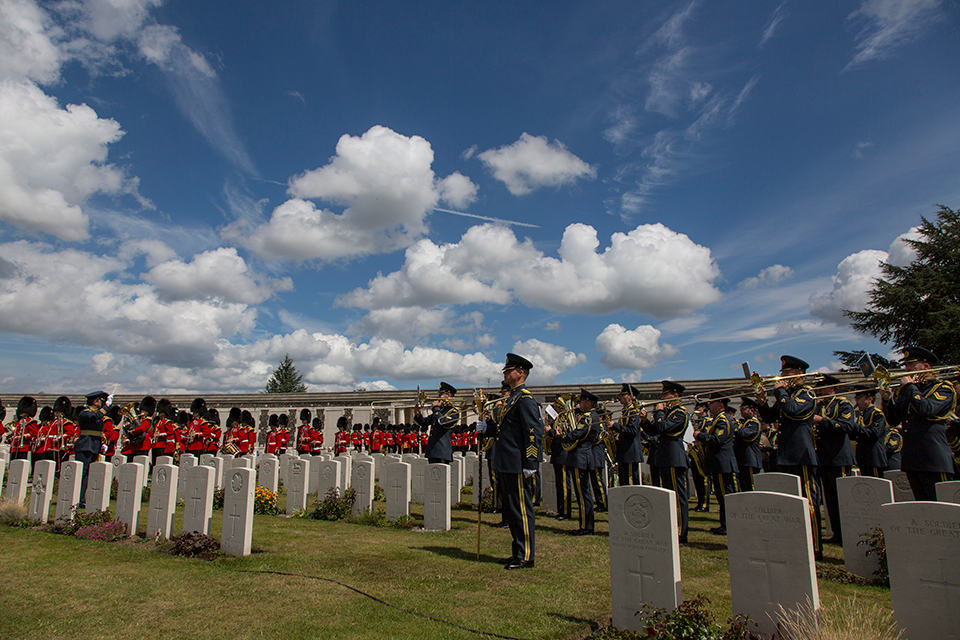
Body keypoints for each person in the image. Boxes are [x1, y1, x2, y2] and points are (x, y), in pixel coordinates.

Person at [755, 355, 823, 559]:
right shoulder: (787, 395)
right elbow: (769, 417)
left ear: (799, 374)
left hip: (801, 455)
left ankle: (816, 547)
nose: (781, 376)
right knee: (791, 502)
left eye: (786, 372)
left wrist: (780, 391)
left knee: (809, 502)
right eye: (782, 372)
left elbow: (792, 410)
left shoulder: (806, 393)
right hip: (786, 455)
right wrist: (761, 402)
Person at [881, 346, 956, 501]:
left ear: (926, 367)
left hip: (934, 460)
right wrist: (887, 400)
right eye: (906, 365)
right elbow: (894, 420)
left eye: (911, 366)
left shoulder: (943, 388)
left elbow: (927, 409)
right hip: (912, 460)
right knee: (922, 509)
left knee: (941, 508)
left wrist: (909, 387)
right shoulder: (910, 391)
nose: (906, 369)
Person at [492, 353, 543, 569]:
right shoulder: (512, 398)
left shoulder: (525, 400)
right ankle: (517, 552)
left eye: (508, 370)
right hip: (506, 462)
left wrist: (531, 463)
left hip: (518, 463)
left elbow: (533, 432)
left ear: (520, 373)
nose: (504, 373)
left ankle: (526, 555)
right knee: (513, 512)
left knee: (521, 510)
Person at [640, 381, 690, 544]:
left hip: (674, 457)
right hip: (665, 457)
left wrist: (660, 412)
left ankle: (681, 531)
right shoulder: (668, 413)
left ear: (675, 395)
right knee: (667, 495)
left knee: (677, 496)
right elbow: (653, 430)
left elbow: (663, 428)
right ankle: (669, 527)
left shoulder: (680, 413)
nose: (662, 398)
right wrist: (645, 421)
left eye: (665, 395)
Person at [813, 374, 857, 545]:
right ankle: (837, 533)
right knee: (830, 500)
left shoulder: (843, 404)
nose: (818, 390)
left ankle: (848, 534)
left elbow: (847, 426)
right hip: (824, 457)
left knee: (842, 499)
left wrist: (822, 420)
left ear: (831, 388)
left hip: (839, 457)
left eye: (821, 387)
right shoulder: (819, 406)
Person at [551, 389, 601, 536]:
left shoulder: (589, 417)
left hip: (581, 457)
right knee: (583, 494)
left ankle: (586, 526)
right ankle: (586, 525)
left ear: (588, 403)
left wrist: (554, 435)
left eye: (581, 401)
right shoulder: (591, 416)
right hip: (582, 457)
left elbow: (576, 435)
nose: (579, 404)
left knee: (583, 494)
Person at [695, 392, 738, 535]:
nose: (709, 405)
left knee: (725, 495)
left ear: (720, 405)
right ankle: (724, 524)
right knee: (721, 495)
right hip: (718, 463)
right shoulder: (717, 419)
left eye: (711, 403)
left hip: (722, 463)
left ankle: (728, 525)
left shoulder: (722, 420)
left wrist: (699, 436)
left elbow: (717, 440)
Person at [75, 391, 108, 508]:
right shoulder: (85, 413)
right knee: (82, 474)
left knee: (87, 475)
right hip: (85, 446)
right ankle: (78, 498)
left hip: (93, 446)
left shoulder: (95, 414)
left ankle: (82, 499)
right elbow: (95, 416)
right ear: (95, 402)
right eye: (100, 401)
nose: (101, 403)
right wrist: (106, 407)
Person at [415, 382, 459, 464]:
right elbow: (425, 422)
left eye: (441, 394)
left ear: (448, 395)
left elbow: (442, 422)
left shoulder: (453, 411)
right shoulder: (440, 410)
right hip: (432, 451)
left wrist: (436, 408)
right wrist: (418, 414)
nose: (439, 396)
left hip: (442, 451)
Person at [608, 384, 643, 486]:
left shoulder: (633, 412)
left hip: (630, 453)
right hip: (625, 453)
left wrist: (615, 425)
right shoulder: (625, 411)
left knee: (631, 484)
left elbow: (633, 431)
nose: (620, 398)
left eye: (623, 395)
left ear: (630, 397)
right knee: (625, 484)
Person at [851, 386, 887, 478]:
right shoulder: (862, 415)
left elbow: (874, 434)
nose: (856, 401)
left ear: (870, 399)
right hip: (863, 457)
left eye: (858, 398)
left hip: (874, 457)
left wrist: (854, 426)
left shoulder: (877, 414)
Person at [734, 397, 762, 492]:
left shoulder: (754, 423)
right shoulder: (744, 422)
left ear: (751, 410)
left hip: (750, 460)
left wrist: (733, 427)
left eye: (744, 408)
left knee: (751, 487)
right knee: (744, 487)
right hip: (743, 460)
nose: (741, 411)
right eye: (741, 408)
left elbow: (744, 434)